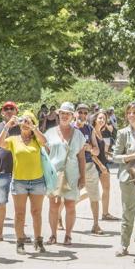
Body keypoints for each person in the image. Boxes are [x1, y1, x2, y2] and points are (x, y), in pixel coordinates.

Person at [0, 111, 48, 255]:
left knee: (36, 212)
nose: (25, 123)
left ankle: (38, 240)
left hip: (37, 180)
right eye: (23, 121)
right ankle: (20, 242)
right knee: (20, 213)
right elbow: (0, 143)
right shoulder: (14, 139)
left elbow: (45, 142)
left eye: (29, 121)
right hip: (19, 181)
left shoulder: (36, 139)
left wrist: (34, 128)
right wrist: (7, 126)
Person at [112, 102, 135, 256]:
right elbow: (115, 157)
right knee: (128, 212)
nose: (132, 115)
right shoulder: (123, 133)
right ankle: (124, 245)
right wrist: (132, 156)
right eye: (129, 113)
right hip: (129, 178)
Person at [44, 103, 86, 245]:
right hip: (54, 174)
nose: (64, 116)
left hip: (72, 174)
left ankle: (68, 235)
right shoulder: (49, 133)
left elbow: (81, 158)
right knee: (54, 205)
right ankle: (53, 234)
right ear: (58, 114)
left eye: (67, 113)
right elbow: (45, 156)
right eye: (62, 113)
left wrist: (83, 177)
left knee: (70, 205)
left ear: (72, 116)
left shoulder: (79, 135)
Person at [0, 101, 20, 242]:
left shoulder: (22, 127)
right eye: (6, 109)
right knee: (0, 203)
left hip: (20, 172)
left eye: (11, 108)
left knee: (20, 205)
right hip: (1, 170)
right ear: (2, 112)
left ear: (16, 111)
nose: (9, 111)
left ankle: (21, 233)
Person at [74, 103, 103, 234]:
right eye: (80, 112)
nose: (83, 115)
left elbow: (97, 151)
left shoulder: (90, 129)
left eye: (86, 113)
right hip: (73, 166)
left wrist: (90, 148)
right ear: (75, 113)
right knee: (67, 196)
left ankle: (96, 225)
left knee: (94, 196)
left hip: (89, 165)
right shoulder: (69, 128)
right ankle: (59, 219)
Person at [91, 110, 119, 221]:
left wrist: (109, 154)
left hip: (104, 163)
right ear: (95, 119)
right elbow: (90, 152)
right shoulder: (92, 131)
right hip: (96, 165)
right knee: (88, 191)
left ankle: (105, 213)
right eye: (100, 118)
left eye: (104, 119)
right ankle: (70, 204)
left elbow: (101, 150)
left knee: (106, 189)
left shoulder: (100, 132)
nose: (102, 120)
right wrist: (100, 165)